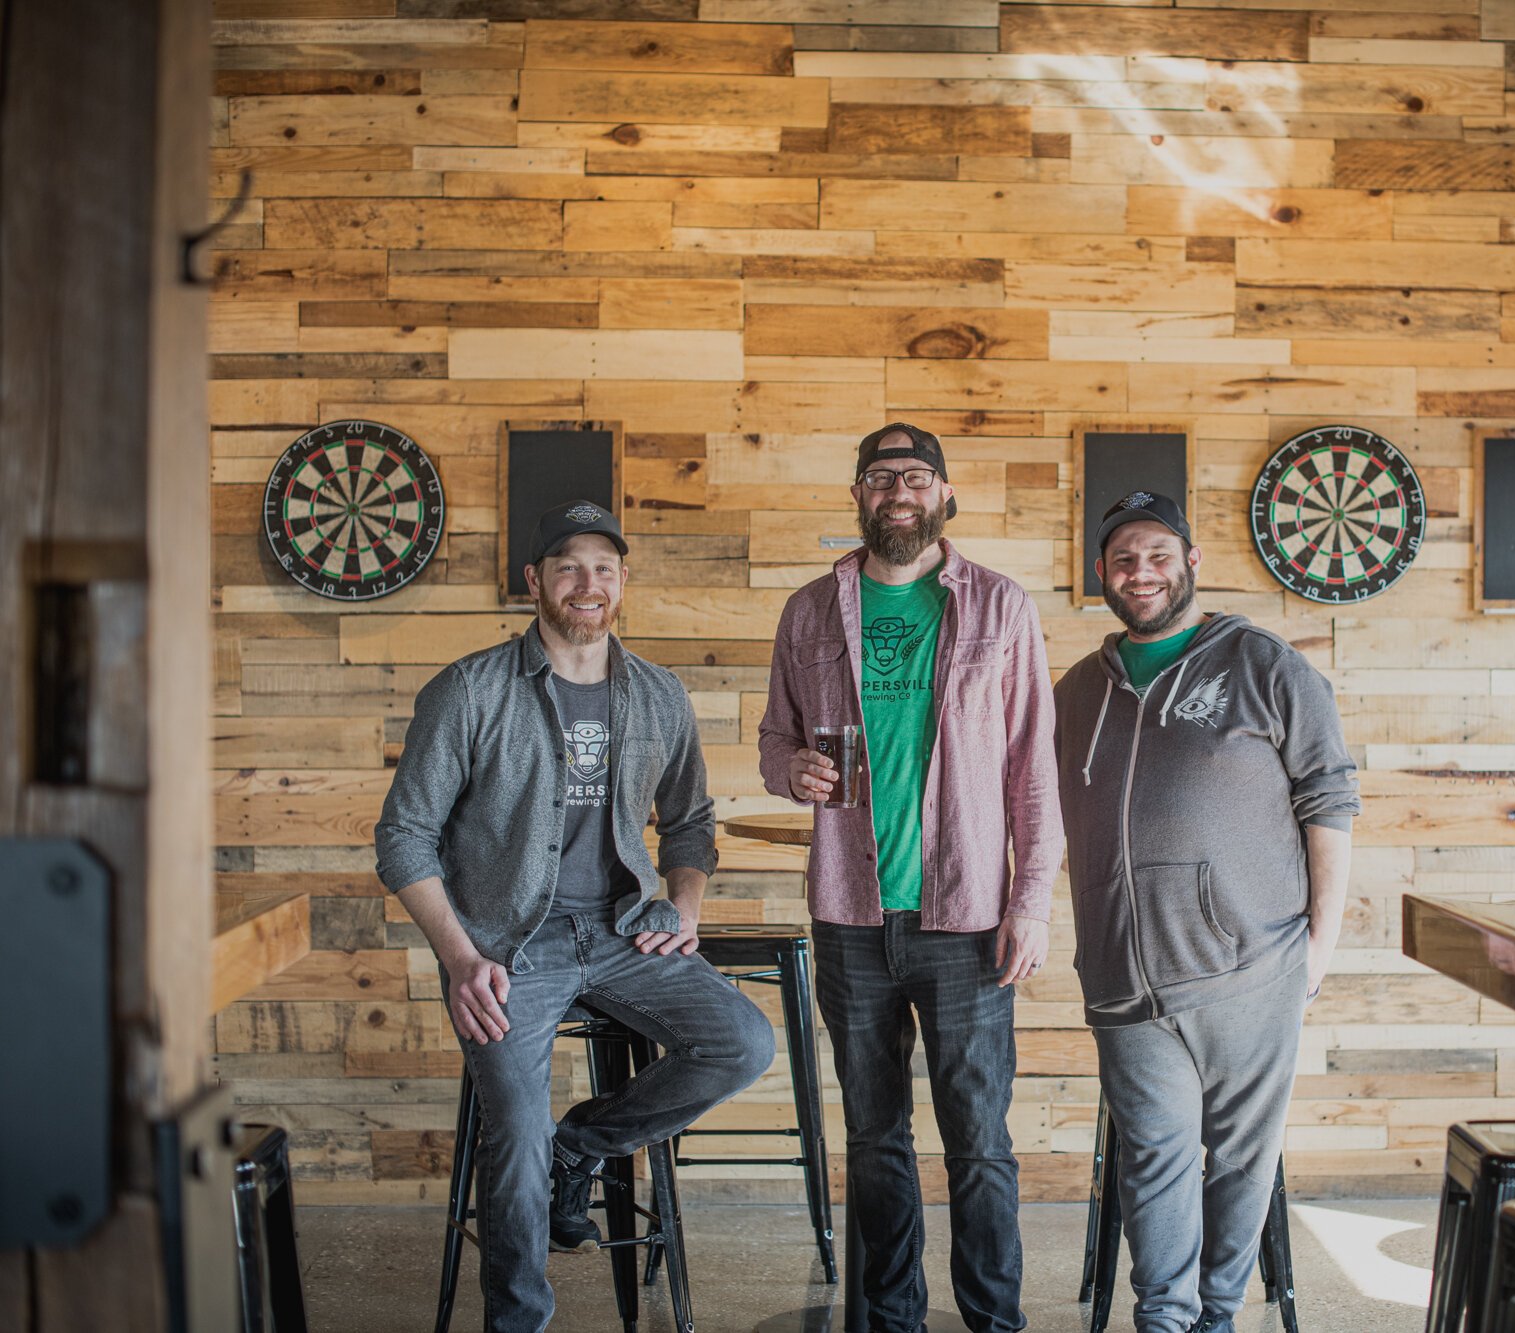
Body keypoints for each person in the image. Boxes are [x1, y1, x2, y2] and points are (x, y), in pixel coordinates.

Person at [375, 499, 774, 1333]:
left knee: (743, 1040)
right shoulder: (469, 689)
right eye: (567, 566)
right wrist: (459, 957)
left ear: (623, 580)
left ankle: (583, 1145)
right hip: (509, 943)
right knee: (513, 1134)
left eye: (602, 567)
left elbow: (692, 821)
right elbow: (403, 837)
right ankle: (517, 1320)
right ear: (534, 581)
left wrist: (684, 904)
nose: (586, 583)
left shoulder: (658, 693)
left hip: (625, 930)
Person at [758, 422, 1062, 1333]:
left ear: (945, 494)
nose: (901, 490)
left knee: (976, 1139)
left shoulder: (1000, 607)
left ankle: (991, 1320)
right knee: (874, 1138)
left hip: (966, 916)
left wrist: (1032, 903)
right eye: (883, 475)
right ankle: (890, 1320)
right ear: (858, 493)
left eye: (918, 476)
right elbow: (777, 738)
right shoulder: (810, 610)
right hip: (850, 915)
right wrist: (791, 773)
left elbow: (1032, 769)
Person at [1054, 492, 1360, 1333]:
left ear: (1192, 561)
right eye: (1122, 559)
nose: (1140, 571)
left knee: (1239, 1164)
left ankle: (1217, 1314)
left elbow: (1330, 808)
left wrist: (1317, 955)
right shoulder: (1079, 689)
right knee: (1151, 1160)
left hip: (1250, 970)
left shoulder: (1264, 664)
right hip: (1123, 977)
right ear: (1100, 575)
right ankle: (1165, 1317)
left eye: (1157, 554)